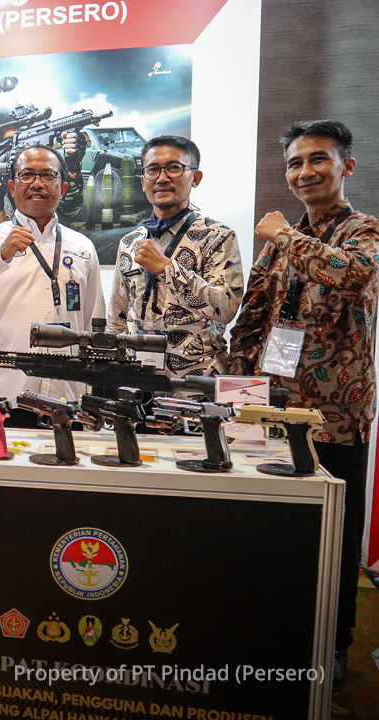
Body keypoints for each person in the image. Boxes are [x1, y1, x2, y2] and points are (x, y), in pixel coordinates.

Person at [228, 120, 378, 692]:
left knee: (334, 535)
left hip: (334, 416)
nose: (305, 172)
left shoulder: (364, 231)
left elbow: (351, 276)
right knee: (272, 526)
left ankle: (334, 643)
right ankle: (275, 628)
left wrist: (285, 238)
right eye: (295, 163)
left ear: (346, 166)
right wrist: (238, 399)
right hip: (270, 410)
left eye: (318, 159)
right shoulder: (280, 239)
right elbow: (251, 320)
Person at [0, 145, 105, 426]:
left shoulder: (82, 246)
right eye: (27, 175)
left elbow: (94, 321)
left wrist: (94, 392)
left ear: (63, 188)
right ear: (12, 187)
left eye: (47, 175)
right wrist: (0, 256)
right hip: (4, 397)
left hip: (68, 397)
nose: (36, 183)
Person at [107, 136, 243, 379]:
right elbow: (117, 317)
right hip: (138, 379)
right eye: (153, 170)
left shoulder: (217, 236)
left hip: (197, 382)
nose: (162, 178)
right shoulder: (129, 242)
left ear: (196, 177)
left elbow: (226, 309)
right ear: (143, 182)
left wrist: (167, 269)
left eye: (174, 168)